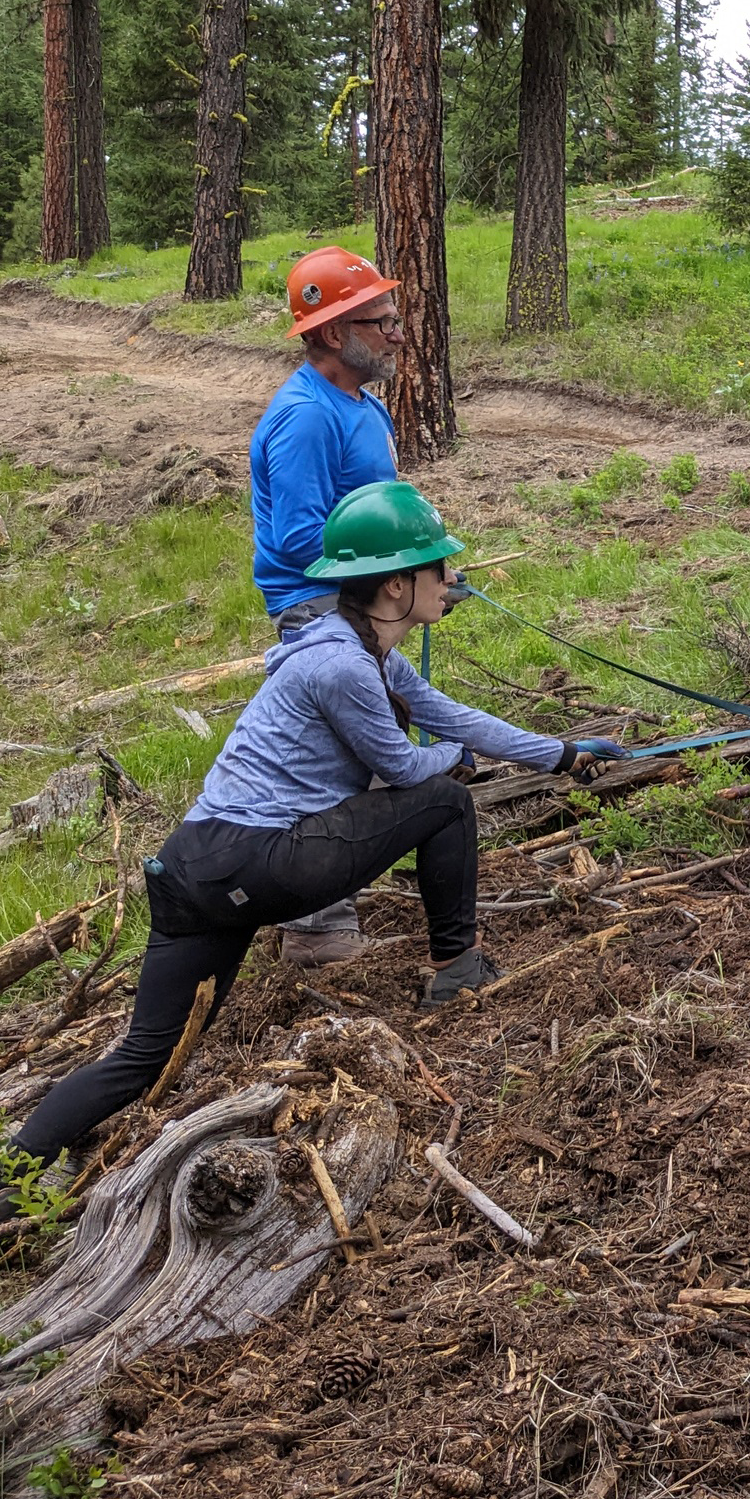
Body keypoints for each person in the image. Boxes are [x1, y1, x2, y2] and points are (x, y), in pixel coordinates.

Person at [0, 484, 628, 1257]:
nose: (451, 581)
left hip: (193, 866)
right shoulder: (342, 667)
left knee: (145, 1052)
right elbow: (404, 764)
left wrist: (562, 753)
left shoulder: (353, 645)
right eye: (439, 568)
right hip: (262, 859)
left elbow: (448, 713)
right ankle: (455, 968)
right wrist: (458, 763)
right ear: (397, 583)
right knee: (442, 801)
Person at [252, 247, 407, 968]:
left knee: (384, 743)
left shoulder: (361, 405)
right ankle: (314, 931)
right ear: (325, 335)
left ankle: (337, 896)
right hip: (318, 610)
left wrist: (420, 567)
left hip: (358, 605)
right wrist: (392, 574)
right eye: (379, 323)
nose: (395, 335)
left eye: (393, 318)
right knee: (333, 763)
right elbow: (298, 535)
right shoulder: (306, 419)